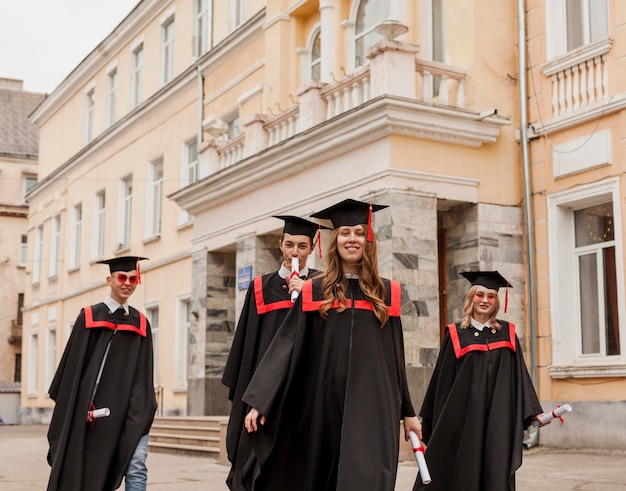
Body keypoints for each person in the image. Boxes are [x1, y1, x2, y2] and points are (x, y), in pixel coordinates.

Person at [242, 198, 422, 491]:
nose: (352, 239)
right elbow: (286, 345)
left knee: (370, 478)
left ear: (369, 240)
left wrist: (408, 412)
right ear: (335, 241)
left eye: (359, 232)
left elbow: (395, 358)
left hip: (375, 408)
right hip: (324, 406)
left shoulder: (387, 293)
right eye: (345, 233)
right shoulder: (315, 291)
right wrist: (262, 400)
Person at [222, 215, 327, 491]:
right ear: (280, 245)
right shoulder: (260, 287)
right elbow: (246, 343)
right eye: (290, 244)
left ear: (312, 248)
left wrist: (308, 294)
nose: (295, 252)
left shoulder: (323, 285)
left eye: (302, 246)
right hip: (262, 392)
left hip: (304, 389)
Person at [413, 270, 545, 491]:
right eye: (480, 295)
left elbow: (520, 375)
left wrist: (534, 412)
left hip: (498, 419)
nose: (485, 300)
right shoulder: (456, 334)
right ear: (471, 298)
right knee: (464, 470)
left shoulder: (507, 334)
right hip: (465, 419)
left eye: (490, 296)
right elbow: (442, 381)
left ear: (496, 301)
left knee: (496, 468)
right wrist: (431, 421)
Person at [47, 256, 157, 491]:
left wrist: (143, 408)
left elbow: (144, 372)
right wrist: (79, 407)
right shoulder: (89, 317)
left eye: (133, 278)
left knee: (136, 464)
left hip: (130, 412)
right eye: (122, 277)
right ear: (110, 280)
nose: (127, 283)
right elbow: (72, 369)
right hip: (92, 413)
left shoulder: (141, 323)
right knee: (88, 470)